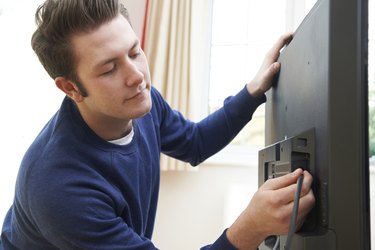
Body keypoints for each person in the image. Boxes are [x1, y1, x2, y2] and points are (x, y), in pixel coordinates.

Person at [0, 0, 315, 249]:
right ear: (70, 88)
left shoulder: (140, 105)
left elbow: (195, 142)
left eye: (135, 52)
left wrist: (253, 91)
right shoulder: (59, 187)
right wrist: (251, 227)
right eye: (109, 68)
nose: (137, 76)